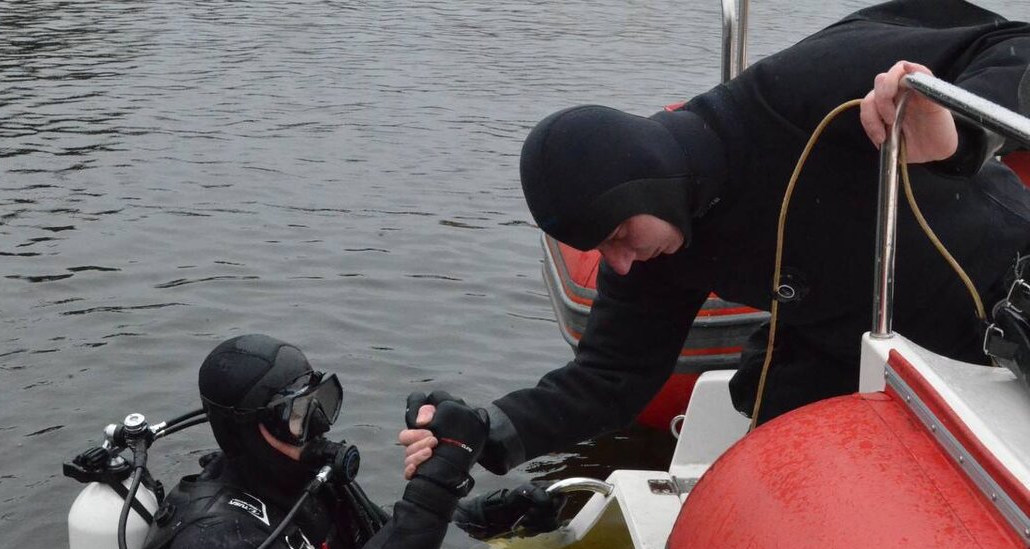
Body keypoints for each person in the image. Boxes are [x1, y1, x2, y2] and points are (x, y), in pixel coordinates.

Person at [402, 1, 1030, 512]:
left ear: (645, 183)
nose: (617, 263)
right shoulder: (658, 250)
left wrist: (956, 129)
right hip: (852, 334)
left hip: (1004, 293)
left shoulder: (788, 99)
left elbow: (1010, 45)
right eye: (602, 250)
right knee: (768, 416)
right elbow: (608, 380)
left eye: (617, 237)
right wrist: (486, 427)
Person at [118, 334, 487, 549]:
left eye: (319, 402)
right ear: (247, 429)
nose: (319, 426)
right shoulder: (212, 541)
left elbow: (383, 540)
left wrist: (482, 514)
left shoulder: (302, 479)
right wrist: (438, 482)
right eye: (295, 414)